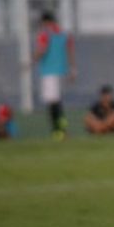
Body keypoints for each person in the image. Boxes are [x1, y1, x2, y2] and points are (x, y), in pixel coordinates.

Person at [33, 11, 76, 140]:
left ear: (46, 21)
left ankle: (58, 131)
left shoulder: (45, 34)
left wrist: (30, 61)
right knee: (57, 102)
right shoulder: (65, 34)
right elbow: (70, 52)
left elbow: (42, 49)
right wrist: (73, 69)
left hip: (49, 72)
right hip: (61, 72)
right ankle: (62, 129)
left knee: (52, 103)